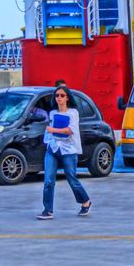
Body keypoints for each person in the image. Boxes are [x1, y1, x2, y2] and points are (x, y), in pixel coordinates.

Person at [37, 86, 91, 219]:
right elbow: (49, 129)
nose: (59, 98)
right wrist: (49, 136)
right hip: (53, 148)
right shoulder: (52, 113)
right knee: (48, 180)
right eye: (57, 96)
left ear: (67, 98)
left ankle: (85, 201)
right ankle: (48, 210)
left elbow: (69, 130)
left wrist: (53, 130)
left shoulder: (73, 113)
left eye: (62, 95)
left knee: (71, 178)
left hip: (68, 149)